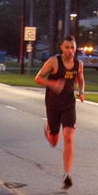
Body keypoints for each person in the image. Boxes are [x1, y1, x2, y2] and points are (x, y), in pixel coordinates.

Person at [35, 35, 84, 187]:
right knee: (54, 141)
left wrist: (81, 92)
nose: (70, 50)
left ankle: (67, 174)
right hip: (53, 103)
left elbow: (80, 80)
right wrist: (52, 83)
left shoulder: (78, 64)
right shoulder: (54, 61)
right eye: (67, 47)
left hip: (69, 103)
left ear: (76, 49)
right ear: (62, 48)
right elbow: (38, 78)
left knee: (68, 136)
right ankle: (48, 128)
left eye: (73, 48)